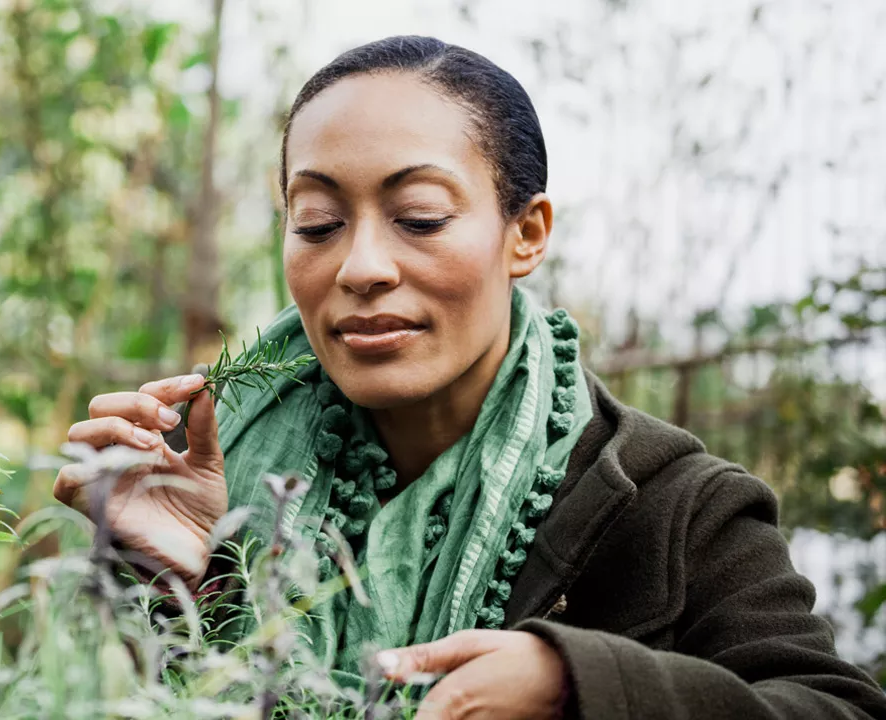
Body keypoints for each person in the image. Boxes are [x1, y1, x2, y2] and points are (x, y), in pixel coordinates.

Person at [52, 35, 886, 719]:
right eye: (318, 223)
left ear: (525, 233)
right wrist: (190, 583)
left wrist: (579, 686)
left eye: (420, 217)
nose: (363, 265)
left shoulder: (674, 504)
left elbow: (835, 708)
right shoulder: (223, 466)